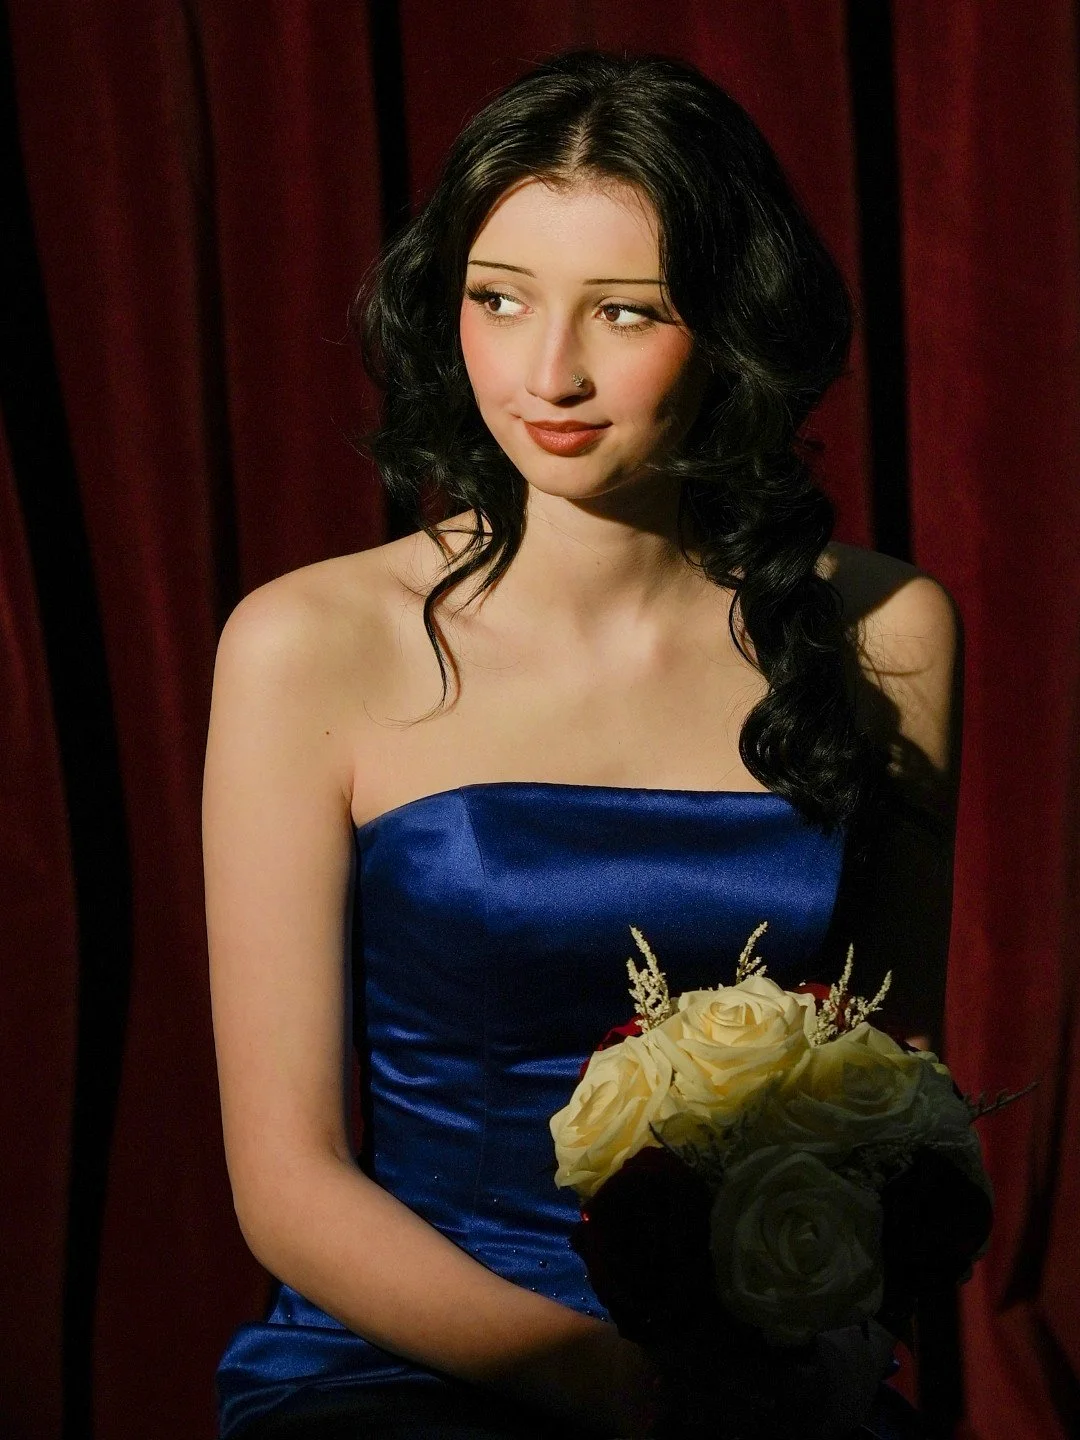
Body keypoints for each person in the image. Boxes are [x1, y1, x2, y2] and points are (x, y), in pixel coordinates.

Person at [203, 49, 961, 1440]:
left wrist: (794, 1367)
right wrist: (619, 1392)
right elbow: (288, 1181)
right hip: (401, 1375)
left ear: (733, 324)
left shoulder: (887, 631)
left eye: (624, 311)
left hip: (764, 1391)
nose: (548, 370)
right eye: (499, 298)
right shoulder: (303, 644)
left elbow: (894, 1103)